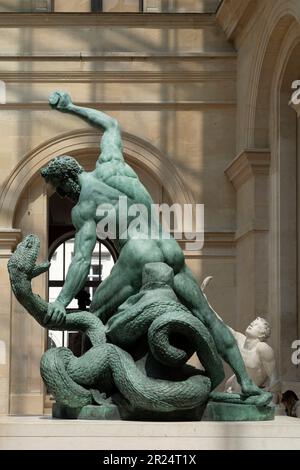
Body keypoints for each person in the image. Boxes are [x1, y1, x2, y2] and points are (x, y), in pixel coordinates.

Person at [41, 90, 266, 398]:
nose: (63, 196)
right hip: (169, 249)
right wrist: (70, 107)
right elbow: (110, 125)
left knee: (95, 312)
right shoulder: (112, 165)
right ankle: (247, 383)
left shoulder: (84, 207)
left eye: (60, 189)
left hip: (140, 253)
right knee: (207, 316)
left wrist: (60, 302)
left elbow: (81, 260)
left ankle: (96, 383)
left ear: (68, 179)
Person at [224, 317, 278, 394]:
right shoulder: (240, 339)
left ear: (262, 334)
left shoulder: (263, 348)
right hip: (230, 389)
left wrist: (273, 397)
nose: (251, 325)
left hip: (248, 396)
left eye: (256, 325)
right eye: (252, 323)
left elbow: (274, 379)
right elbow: (220, 326)